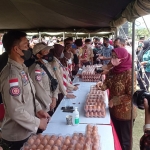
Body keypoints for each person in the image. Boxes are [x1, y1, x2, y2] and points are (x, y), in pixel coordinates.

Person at [0, 30, 49, 150]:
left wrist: (38, 110)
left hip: (27, 131)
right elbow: (15, 110)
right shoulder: (12, 76)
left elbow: (30, 96)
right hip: (16, 137)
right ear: (16, 49)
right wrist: (38, 123)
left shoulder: (22, 69)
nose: (29, 48)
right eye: (26, 45)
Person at [96, 47, 137, 150]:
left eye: (116, 57)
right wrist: (101, 85)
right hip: (113, 111)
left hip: (126, 113)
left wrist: (115, 100)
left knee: (125, 141)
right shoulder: (113, 70)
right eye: (112, 56)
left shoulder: (130, 73)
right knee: (116, 137)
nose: (113, 59)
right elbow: (107, 83)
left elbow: (131, 95)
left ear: (123, 58)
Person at [29, 43, 59, 116]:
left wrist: (54, 98)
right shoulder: (36, 69)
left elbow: (55, 81)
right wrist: (50, 103)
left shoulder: (48, 65)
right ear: (39, 55)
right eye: (45, 52)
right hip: (43, 107)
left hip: (51, 103)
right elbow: (39, 91)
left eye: (48, 51)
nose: (48, 54)